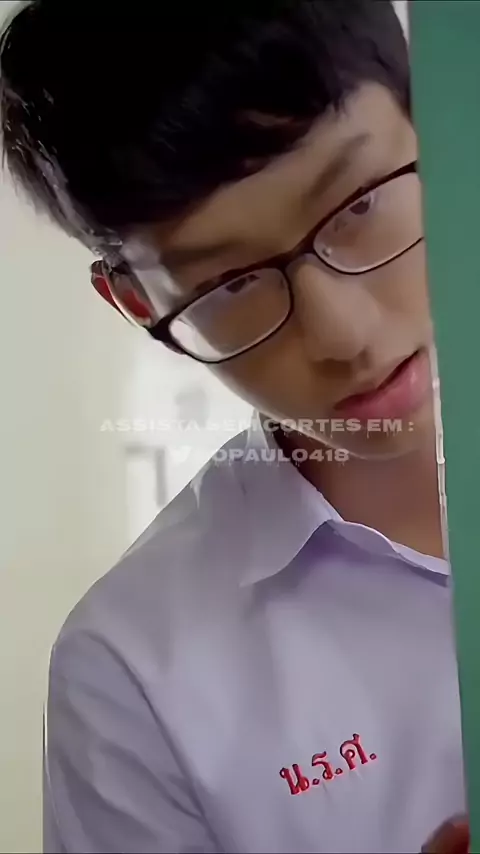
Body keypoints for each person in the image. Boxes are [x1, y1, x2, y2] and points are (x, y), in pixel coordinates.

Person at [0, 1, 469, 851]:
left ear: (434, 124)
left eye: (360, 205)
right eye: (230, 285)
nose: (341, 334)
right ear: (136, 305)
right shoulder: (134, 675)